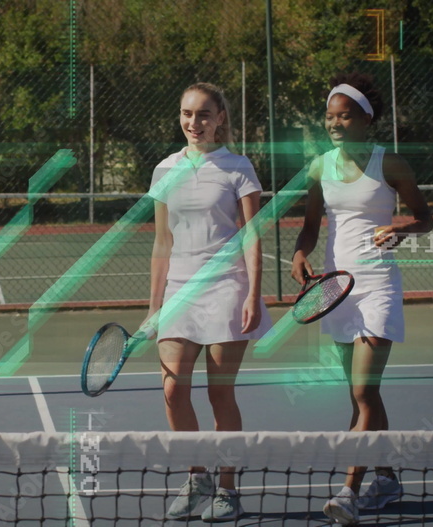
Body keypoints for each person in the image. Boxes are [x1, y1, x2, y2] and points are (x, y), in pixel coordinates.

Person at [291, 72, 433, 525]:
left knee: (363, 390)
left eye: (344, 116)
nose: (334, 123)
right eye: (330, 116)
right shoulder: (320, 167)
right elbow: (310, 226)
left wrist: (401, 229)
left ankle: (349, 492)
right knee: (362, 398)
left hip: (377, 288)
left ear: (366, 120)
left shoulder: (390, 163)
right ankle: (386, 477)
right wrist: (299, 252)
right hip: (337, 293)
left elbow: (425, 219)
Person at [144, 82, 273, 522]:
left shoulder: (238, 167)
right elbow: (162, 242)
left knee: (220, 394)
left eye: (203, 114)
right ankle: (197, 476)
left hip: (226, 288)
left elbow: (252, 236)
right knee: (172, 389)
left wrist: (254, 293)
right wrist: (154, 307)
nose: (193, 122)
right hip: (179, 290)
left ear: (220, 118)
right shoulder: (165, 169)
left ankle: (228, 490)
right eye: (186, 113)